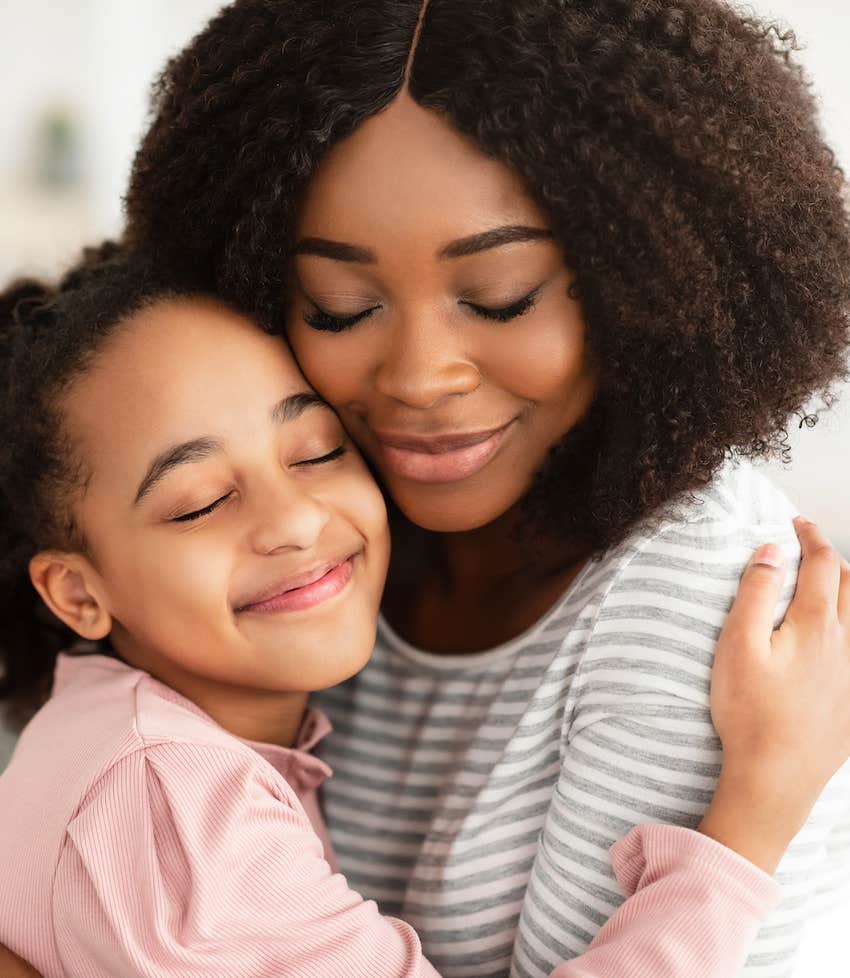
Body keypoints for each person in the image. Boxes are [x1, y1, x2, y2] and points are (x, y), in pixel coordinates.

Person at [119, 2, 850, 975]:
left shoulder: (702, 599)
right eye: (339, 308)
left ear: (645, 279)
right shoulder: (301, 532)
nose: (418, 377)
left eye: (499, 297)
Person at [1, 246, 846, 978]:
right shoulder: (174, 799)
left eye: (318, 451)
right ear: (78, 593)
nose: (294, 520)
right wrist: (754, 815)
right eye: (200, 501)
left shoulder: (134, 741)